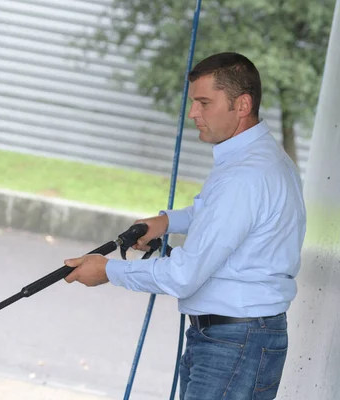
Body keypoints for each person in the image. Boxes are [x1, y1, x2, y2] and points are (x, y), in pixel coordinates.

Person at [63, 52, 306, 400]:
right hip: (235, 338)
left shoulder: (246, 175)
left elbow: (183, 275)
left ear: (242, 104)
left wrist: (108, 271)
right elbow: (222, 216)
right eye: (194, 102)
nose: (193, 113)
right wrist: (166, 222)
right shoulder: (258, 158)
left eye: (204, 103)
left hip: (234, 343)